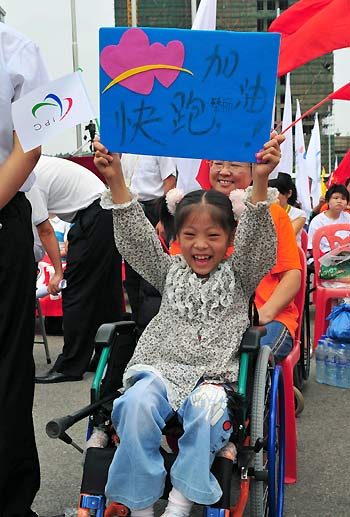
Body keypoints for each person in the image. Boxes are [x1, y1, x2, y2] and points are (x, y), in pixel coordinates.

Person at [93, 135, 280, 516]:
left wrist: (260, 182)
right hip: (160, 370)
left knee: (209, 406)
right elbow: (136, 241)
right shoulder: (168, 271)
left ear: (230, 240)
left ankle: (179, 502)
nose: (201, 244)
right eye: (190, 235)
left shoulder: (240, 274)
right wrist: (115, 179)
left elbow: (258, 243)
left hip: (214, 377)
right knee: (134, 405)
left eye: (213, 235)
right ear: (176, 239)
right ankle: (140, 503)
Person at [0, 22, 51, 517]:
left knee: (7, 370)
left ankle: (10, 501)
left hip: (1, 212)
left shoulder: (18, 49)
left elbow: (30, 144)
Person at [30, 155, 124, 383]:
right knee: (104, 293)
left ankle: (70, 365)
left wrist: (57, 272)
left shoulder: (27, 176)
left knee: (76, 293)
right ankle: (108, 355)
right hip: (101, 212)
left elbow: (44, 231)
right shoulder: (34, 164)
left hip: (95, 214)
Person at [208, 148, 301, 362]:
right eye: (218, 163)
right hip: (213, 320)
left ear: (252, 173)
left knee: (250, 363)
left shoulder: (274, 214)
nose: (224, 171)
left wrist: (264, 313)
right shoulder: (197, 212)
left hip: (268, 318)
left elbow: (292, 275)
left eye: (234, 165)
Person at [121, 153, 176, 325]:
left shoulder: (160, 147)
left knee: (150, 280)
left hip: (154, 209)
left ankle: (151, 326)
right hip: (133, 208)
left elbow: (170, 181)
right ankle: (137, 324)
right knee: (132, 275)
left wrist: (163, 218)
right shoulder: (127, 150)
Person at [307, 183, 350, 256]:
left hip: (345, 256)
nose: (339, 201)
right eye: (335, 198)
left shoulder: (348, 217)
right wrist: (325, 258)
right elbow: (311, 247)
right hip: (323, 257)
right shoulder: (317, 221)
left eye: (343, 198)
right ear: (327, 201)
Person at [268, 173, 307, 245]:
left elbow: (285, 236)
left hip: (289, 254)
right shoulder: (263, 213)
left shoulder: (299, 215)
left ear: (289, 193)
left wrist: (276, 211)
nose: (271, 196)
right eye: (269, 192)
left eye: (276, 192)